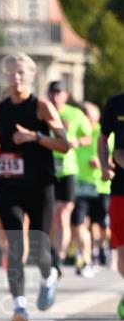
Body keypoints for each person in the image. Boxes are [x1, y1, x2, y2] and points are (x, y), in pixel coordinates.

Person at [0, 54, 68, 321]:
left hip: (40, 184)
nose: (15, 78)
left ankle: (48, 275)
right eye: (10, 73)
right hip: (9, 184)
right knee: (15, 244)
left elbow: (65, 145)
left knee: (41, 249)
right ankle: (19, 308)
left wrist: (35, 137)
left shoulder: (41, 107)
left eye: (20, 73)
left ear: (30, 76)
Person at [47, 80, 93, 272]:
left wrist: (77, 142)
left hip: (68, 170)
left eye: (60, 92)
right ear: (48, 94)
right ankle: (51, 253)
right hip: (47, 169)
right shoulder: (43, 111)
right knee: (51, 216)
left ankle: (59, 257)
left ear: (66, 95)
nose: (56, 96)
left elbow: (88, 136)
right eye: (53, 92)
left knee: (63, 214)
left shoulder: (75, 114)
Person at [74, 102, 111, 271]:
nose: (85, 117)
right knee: (80, 223)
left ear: (97, 116)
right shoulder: (76, 132)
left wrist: (102, 161)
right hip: (80, 184)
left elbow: (114, 154)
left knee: (102, 224)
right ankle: (86, 258)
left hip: (100, 186)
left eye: (87, 113)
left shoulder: (104, 133)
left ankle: (103, 247)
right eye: (82, 113)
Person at [98, 90, 124, 318]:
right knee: (122, 253)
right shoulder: (116, 103)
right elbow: (103, 138)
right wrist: (105, 166)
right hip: (120, 189)